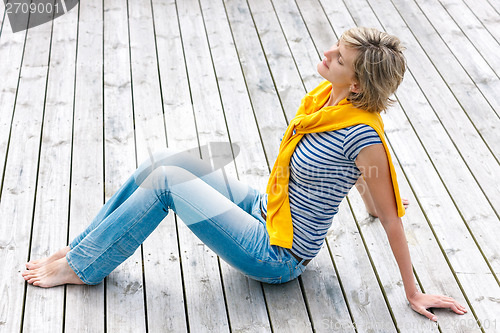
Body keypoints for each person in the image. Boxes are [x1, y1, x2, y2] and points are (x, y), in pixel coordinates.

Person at [22, 27, 467, 322]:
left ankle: (83, 266)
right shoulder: (325, 101)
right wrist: (371, 204)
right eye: (335, 47)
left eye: (339, 58)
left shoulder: (363, 136)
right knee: (161, 161)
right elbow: (370, 194)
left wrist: (413, 292)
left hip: (278, 253)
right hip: (264, 209)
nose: (327, 54)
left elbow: (390, 214)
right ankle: (84, 248)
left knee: (166, 184)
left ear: (356, 85)